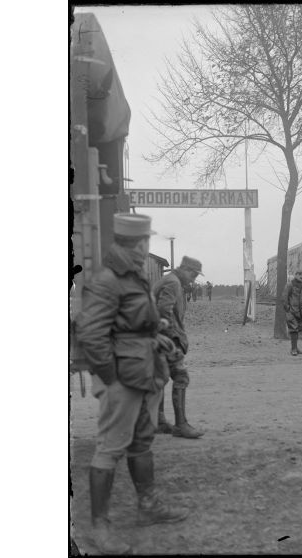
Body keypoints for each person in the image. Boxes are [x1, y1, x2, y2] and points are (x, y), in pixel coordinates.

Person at [75, 214, 188, 554]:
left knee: (142, 441)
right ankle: (99, 527)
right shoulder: (108, 281)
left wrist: (156, 338)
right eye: (146, 242)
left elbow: (132, 325)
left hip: (144, 371)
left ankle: (148, 507)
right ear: (139, 244)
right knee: (110, 448)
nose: (147, 247)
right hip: (123, 378)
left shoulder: (134, 276)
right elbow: (92, 335)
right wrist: (110, 380)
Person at [153, 256, 205, 438]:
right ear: (185, 270)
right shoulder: (173, 283)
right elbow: (163, 312)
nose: (193, 279)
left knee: (160, 379)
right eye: (193, 275)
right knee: (181, 377)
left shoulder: (170, 280)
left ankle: (158, 421)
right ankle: (180, 425)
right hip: (167, 339)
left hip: (158, 337)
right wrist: (172, 340)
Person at [282, 270, 302, 356]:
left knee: (297, 330)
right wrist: (288, 309)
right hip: (292, 311)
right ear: (295, 275)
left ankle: (296, 348)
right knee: (293, 329)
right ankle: (293, 349)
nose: (301, 276)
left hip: (301, 312)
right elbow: (284, 298)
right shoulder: (290, 284)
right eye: (299, 274)